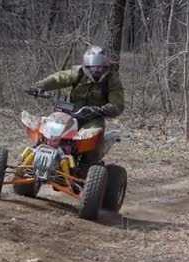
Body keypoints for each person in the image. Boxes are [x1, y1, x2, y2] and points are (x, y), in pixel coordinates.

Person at [28, 45, 125, 174]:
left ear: (106, 67)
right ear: (86, 65)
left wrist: (102, 110)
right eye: (93, 66)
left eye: (100, 66)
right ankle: (35, 157)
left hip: (93, 117)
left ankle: (86, 172)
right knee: (46, 131)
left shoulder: (112, 80)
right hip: (70, 113)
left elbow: (117, 104)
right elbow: (59, 78)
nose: (96, 70)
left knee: (92, 140)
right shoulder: (78, 73)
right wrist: (41, 86)